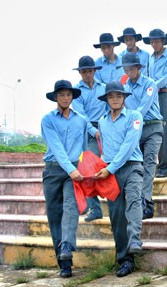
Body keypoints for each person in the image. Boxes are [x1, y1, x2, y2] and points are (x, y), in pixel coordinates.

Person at [95, 81, 144, 277]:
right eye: (111, 96)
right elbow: (105, 148)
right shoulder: (102, 121)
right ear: (107, 100)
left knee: (133, 201)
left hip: (132, 166)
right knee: (116, 216)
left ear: (124, 98)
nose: (115, 99)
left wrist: (111, 167)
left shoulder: (135, 117)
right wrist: (102, 166)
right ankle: (124, 260)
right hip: (110, 173)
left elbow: (128, 146)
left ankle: (135, 240)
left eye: (118, 96)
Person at [41, 80, 87, 278]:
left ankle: (67, 247)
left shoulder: (81, 120)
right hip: (53, 170)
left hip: (73, 172)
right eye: (61, 95)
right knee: (54, 217)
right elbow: (57, 148)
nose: (65, 98)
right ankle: (63, 264)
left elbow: (86, 143)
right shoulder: (48, 120)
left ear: (72, 97)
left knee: (71, 207)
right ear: (55, 98)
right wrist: (71, 169)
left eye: (68, 95)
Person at [118, 53, 163, 220]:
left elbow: (143, 108)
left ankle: (147, 202)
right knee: (138, 166)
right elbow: (126, 109)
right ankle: (136, 201)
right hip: (137, 130)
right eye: (126, 69)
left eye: (131, 68)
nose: (129, 71)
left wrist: (132, 120)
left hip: (152, 127)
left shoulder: (150, 84)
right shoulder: (125, 88)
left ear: (138, 68)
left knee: (150, 163)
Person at [72, 55, 106, 222]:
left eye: (90, 71)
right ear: (80, 73)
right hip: (87, 133)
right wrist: (94, 131)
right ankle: (95, 208)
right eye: (84, 72)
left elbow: (110, 108)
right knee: (87, 171)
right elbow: (81, 116)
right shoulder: (76, 91)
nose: (87, 74)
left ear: (94, 71)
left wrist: (106, 128)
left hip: (107, 128)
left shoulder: (104, 88)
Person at [143, 29, 167, 177]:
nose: (154, 44)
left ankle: (164, 165)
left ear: (163, 41)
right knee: (154, 128)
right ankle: (156, 163)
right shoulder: (150, 58)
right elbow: (148, 76)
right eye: (152, 42)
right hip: (153, 95)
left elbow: (166, 77)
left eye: (157, 41)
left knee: (166, 129)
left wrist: (150, 87)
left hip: (166, 94)